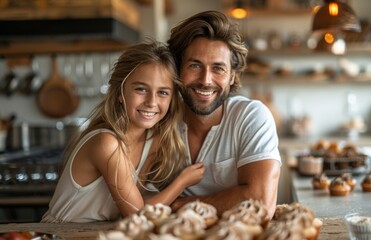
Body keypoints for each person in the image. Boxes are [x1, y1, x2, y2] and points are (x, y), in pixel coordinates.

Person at [41, 38, 205, 223]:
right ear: (120, 92)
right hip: (59, 235)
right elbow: (137, 216)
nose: (151, 102)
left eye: (162, 92)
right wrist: (182, 181)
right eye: (141, 89)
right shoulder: (106, 143)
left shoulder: (152, 140)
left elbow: (137, 205)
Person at [167, 10, 282, 219]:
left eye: (218, 68)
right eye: (194, 65)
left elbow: (261, 203)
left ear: (232, 76)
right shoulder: (160, 118)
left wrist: (184, 205)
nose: (206, 80)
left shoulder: (251, 117)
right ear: (177, 69)